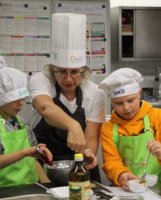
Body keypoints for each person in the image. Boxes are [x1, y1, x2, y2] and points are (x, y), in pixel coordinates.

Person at [29, 13, 105, 182]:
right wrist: (73, 125)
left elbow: (91, 139)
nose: (68, 79)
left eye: (75, 72)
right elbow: (45, 107)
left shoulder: (95, 93)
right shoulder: (40, 80)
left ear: (84, 70)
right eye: (62, 71)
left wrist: (88, 152)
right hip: (44, 167)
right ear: (52, 68)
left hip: (80, 167)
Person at [99, 68, 161, 190]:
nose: (126, 108)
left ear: (139, 93)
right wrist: (121, 174)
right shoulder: (108, 128)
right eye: (119, 103)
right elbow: (111, 161)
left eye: (130, 100)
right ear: (112, 101)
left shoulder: (159, 117)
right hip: (127, 189)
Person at [0, 67, 53, 188]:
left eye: (23, 98)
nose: (21, 103)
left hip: (30, 189)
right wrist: (26, 152)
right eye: (15, 99)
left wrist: (48, 186)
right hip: (3, 192)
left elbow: (32, 160)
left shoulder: (20, 122)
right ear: (0, 99)